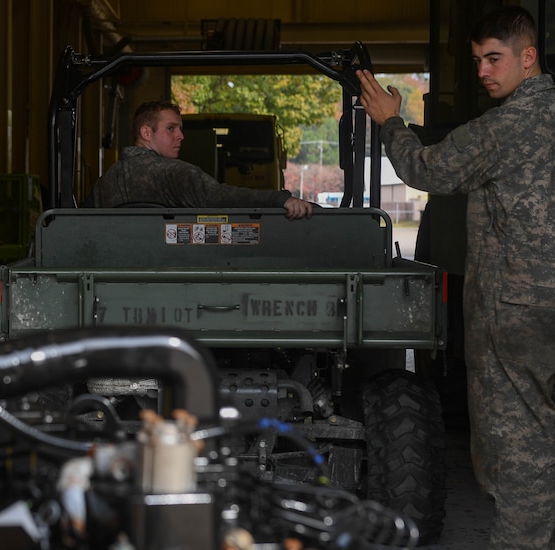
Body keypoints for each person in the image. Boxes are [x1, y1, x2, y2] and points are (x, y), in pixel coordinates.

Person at [356, 6, 555, 549]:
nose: (484, 72)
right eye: (477, 61)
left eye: (494, 58)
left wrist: (388, 122)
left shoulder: (508, 126)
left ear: (529, 56)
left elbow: (429, 170)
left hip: (517, 316)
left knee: (517, 458)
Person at [84, 100, 313, 219]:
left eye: (180, 129)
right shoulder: (175, 173)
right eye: (171, 129)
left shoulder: (105, 182)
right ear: (146, 133)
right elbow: (222, 197)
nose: (181, 136)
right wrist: (278, 199)